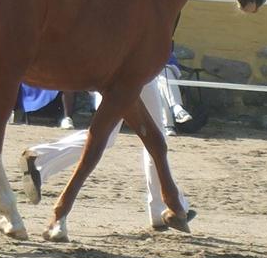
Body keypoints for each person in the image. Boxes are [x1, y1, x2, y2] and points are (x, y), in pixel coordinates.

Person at [19, 76, 193, 230]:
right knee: (110, 136)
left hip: (138, 70)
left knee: (150, 135)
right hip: (126, 72)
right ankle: (40, 158)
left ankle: (160, 207)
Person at [156, 47, 194, 136]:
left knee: (162, 77)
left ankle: (168, 125)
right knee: (161, 78)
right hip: (142, 79)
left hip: (162, 74)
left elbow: (171, 61)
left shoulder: (159, 42)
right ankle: (177, 109)